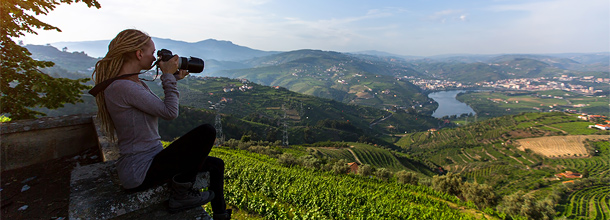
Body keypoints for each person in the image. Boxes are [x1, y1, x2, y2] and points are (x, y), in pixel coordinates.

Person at [91, 29, 231, 219]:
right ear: (139, 54)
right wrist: (167, 78)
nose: (154, 58)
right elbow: (169, 112)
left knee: (216, 165)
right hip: (140, 170)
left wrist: (172, 78)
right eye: (152, 52)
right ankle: (181, 195)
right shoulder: (123, 87)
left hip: (151, 159)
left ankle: (221, 215)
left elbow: (159, 107)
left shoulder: (132, 83)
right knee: (206, 132)